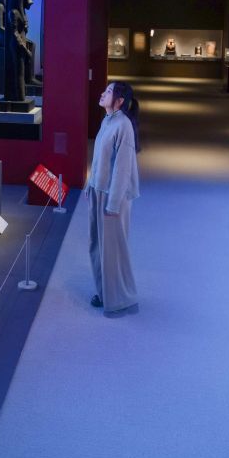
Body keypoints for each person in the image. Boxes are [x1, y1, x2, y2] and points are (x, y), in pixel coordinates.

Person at [88, 80, 141, 314]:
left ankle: (120, 298)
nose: (103, 93)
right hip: (99, 191)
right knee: (97, 246)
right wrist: (91, 185)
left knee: (112, 250)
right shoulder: (107, 120)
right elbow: (99, 160)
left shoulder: (123, 126)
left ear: (119, 101)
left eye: (108, 91)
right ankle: (104, 292)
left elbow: (122, 170)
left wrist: (113, 204)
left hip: (112, 196)